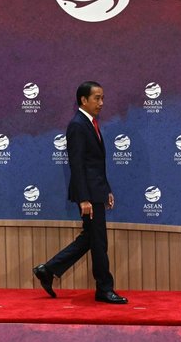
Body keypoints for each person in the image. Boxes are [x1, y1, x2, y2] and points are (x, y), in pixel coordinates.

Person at [33, 81, 127, 304]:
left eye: (103, 98)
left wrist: (106, 190)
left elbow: (94, 164)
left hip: (96, 191)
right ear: (83, 100)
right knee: (99, 242)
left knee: (90, 238)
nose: (101, 103)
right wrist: (84, 198)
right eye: (97, 98)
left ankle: (48, 269)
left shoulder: (91, 123)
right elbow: (77, 164)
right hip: (88, 195)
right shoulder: (77, 125)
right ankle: (104, 289)